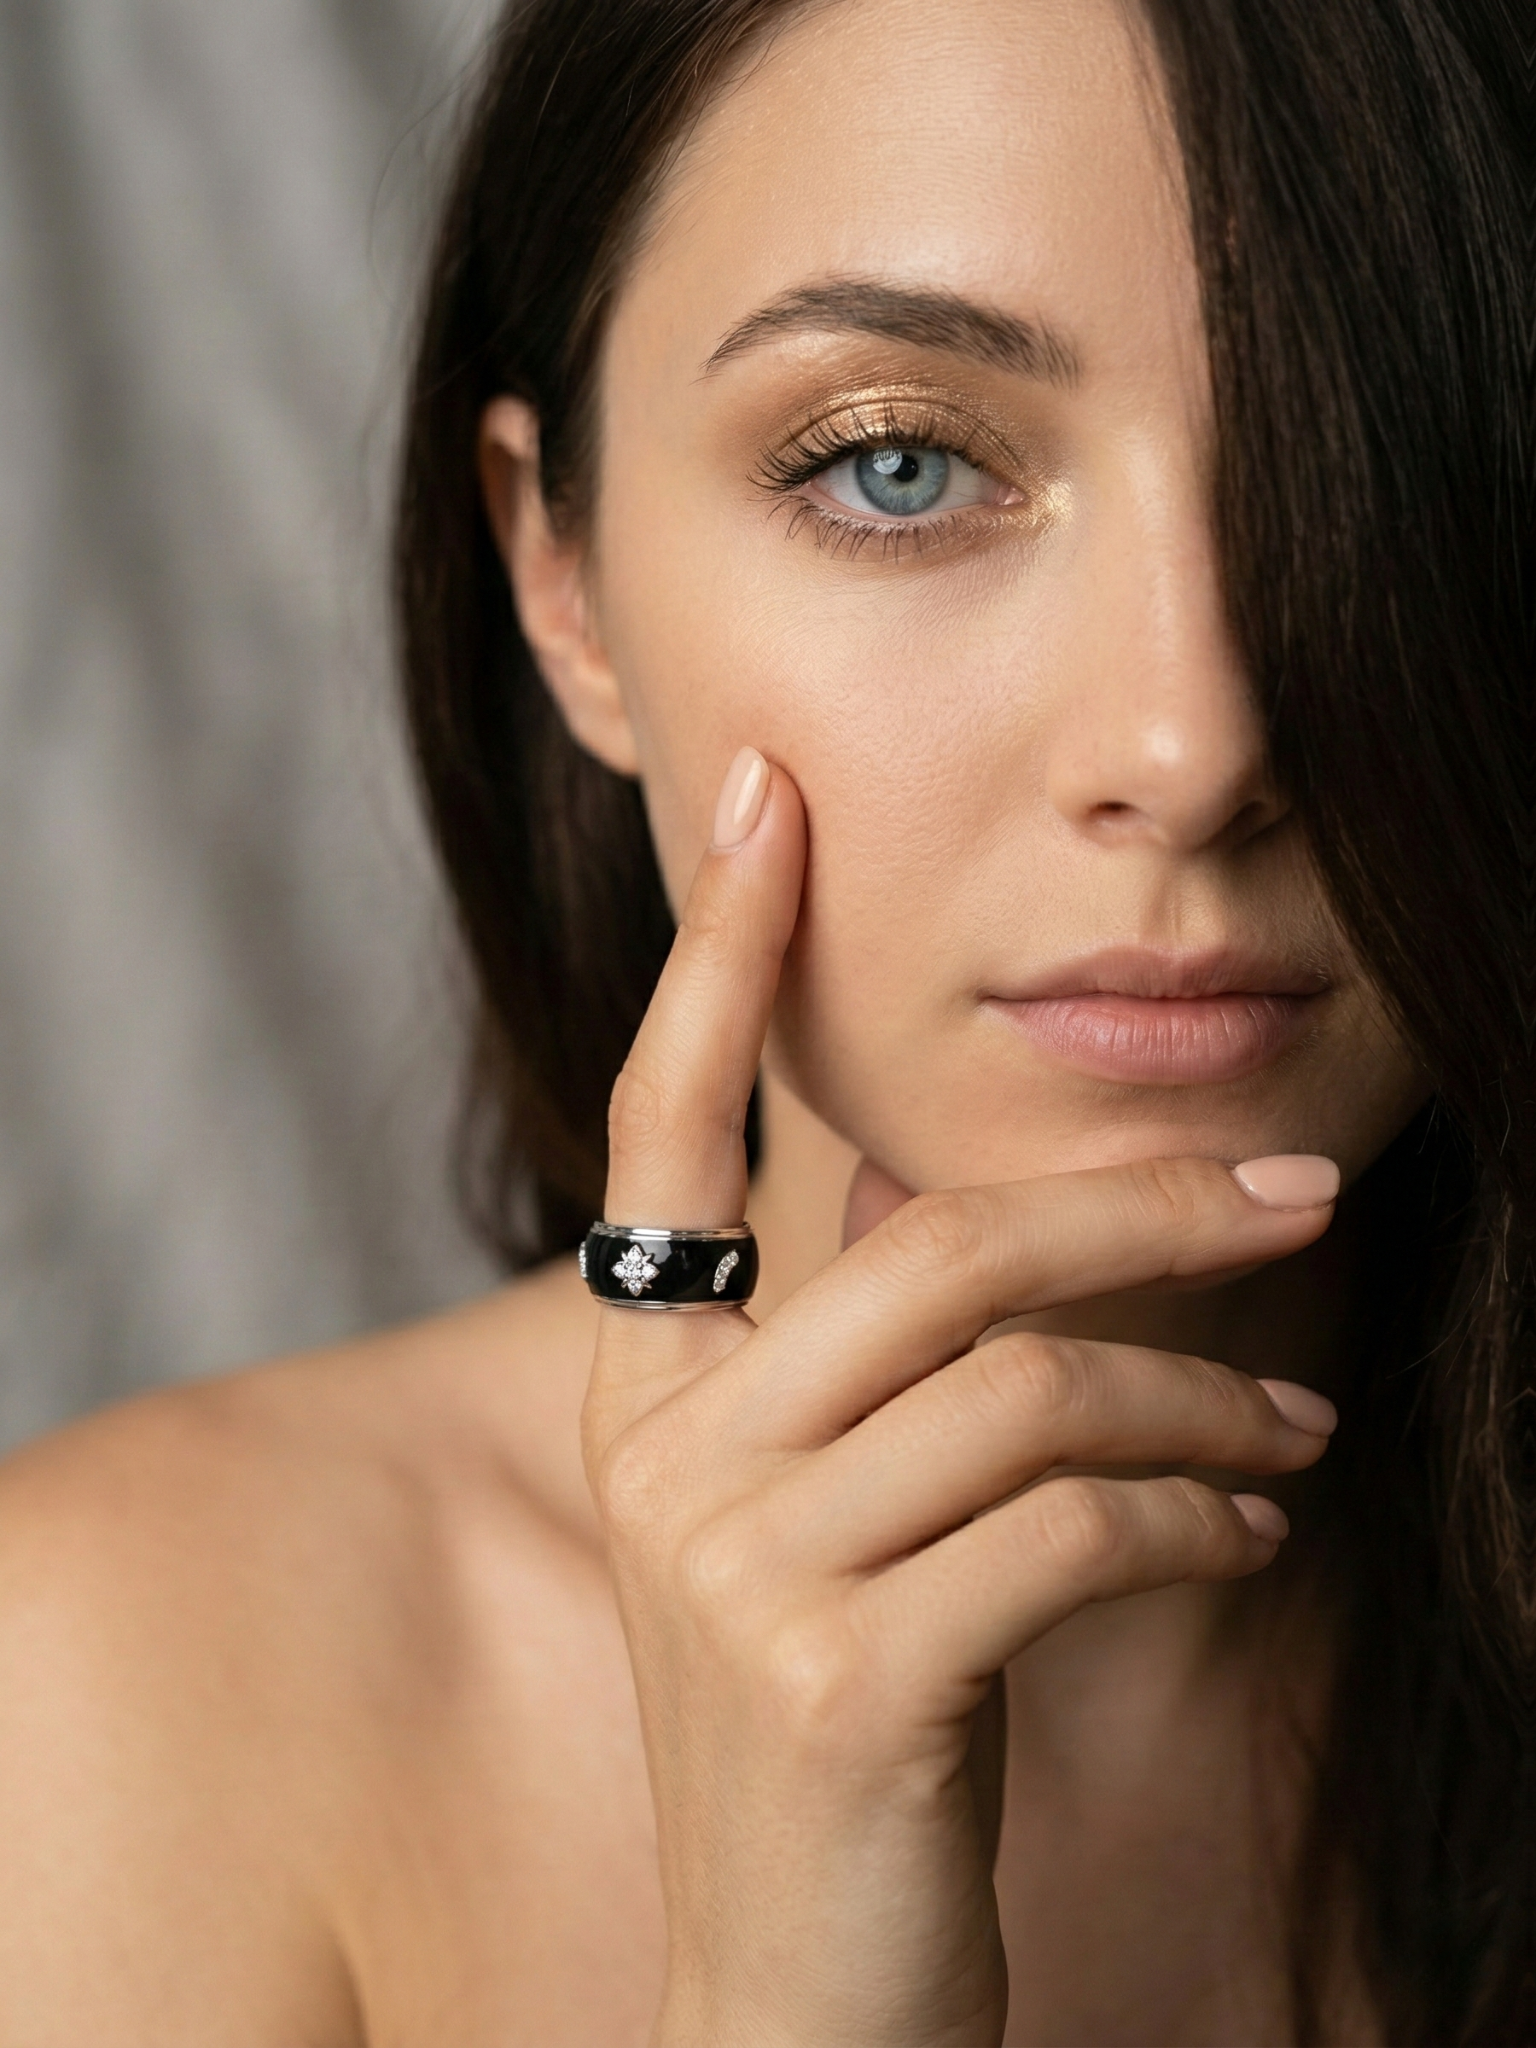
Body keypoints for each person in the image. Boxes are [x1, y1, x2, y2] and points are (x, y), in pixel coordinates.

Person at [0, 0, 1524, 2042]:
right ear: (562, 575)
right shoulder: (116, 1704)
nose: (1192, 738)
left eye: (1377, 446)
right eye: (897, 464)